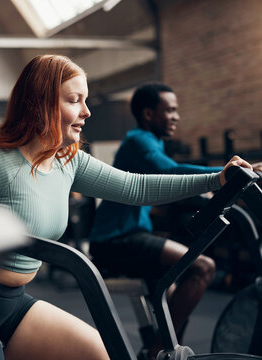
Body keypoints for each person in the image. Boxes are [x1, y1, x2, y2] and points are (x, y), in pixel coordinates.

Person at [0, 56, 252, 360]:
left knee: (98, 353)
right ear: (40, 105)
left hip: (13, 303)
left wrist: (216, 180)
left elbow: (135, 186)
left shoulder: (67, 161)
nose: (87, 112)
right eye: (75, 101)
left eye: (85, 100)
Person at [88, 81, 258, 359]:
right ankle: (159, 350)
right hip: (116, 241)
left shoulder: (149, 142)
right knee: (203, 267)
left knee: (177, 285)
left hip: (130, 236)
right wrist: (228, 172)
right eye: (170, 110)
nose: (176, 116)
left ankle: (161, 346)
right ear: (148, 114)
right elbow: (171, 171)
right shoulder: (139, 141)